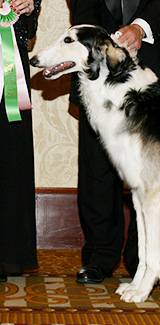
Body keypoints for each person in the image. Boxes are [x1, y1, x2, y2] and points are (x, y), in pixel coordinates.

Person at [70, 0, 160, 284]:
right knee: (97, 169)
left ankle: (144, 260)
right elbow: (83, 9)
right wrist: (106, 45)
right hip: (97, 73)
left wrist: (140, 28)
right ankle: (99, 256)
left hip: (156, 63)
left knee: (152, 173)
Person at [0, 0, 41, 282]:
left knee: (10, 155)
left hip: (8, 64)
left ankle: (6, 254)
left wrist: (29, 7)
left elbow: (29, 27)